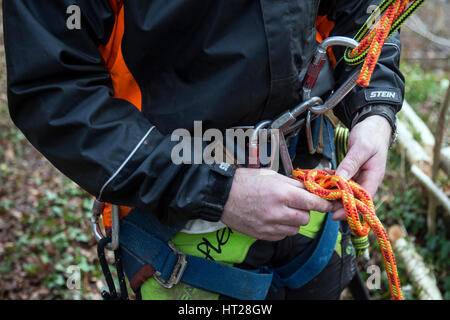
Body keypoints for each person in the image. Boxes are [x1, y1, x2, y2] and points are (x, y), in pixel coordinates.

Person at [3, 0, 404, 300]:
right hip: (173, 227)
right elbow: (55, 89)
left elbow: (359, 9)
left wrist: (375, 107)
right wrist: (212, 190)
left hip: (312, 204)